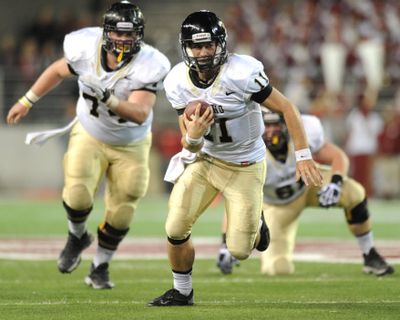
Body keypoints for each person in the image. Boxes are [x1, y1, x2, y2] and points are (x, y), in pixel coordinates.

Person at [148, 10, 323, 307]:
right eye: (196, 46)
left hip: (245, 167)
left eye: (209, 46)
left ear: (221, 45)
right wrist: (193, 136)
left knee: (240, 250)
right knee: (175, 228)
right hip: (206, 162)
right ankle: (182, 291)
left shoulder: (242, 73)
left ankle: (258, 221)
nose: (203, 53)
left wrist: (304, 156)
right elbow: (187, 146)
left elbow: (288, 109)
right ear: (186, 47)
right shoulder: (177, 80)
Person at [6, 1, 170, 289]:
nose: (123, 40)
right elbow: (58, 70)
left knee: (124, 204)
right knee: (78, 192)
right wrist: (26, 101)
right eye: (118, 34)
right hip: (90, 131)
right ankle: (77, 236)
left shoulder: (149, 62)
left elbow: (141, 112)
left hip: (131, 142)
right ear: (106, 32)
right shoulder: (85, 46)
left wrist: (109, 99)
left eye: (130, 34)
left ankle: (100, 266)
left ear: (139, 35)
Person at [217, 108, 394, 277]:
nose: (271, 131)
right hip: (278, 208)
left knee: (354, 192)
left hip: (310, 184)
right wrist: (226, 243)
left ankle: (370, 254)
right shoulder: (250, 149)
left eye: (276, 125)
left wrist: (335, 183)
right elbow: (236, 200)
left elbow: (337, 156)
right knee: (278, 268)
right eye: (267, 125)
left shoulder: (303, 131)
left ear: (287, 125)